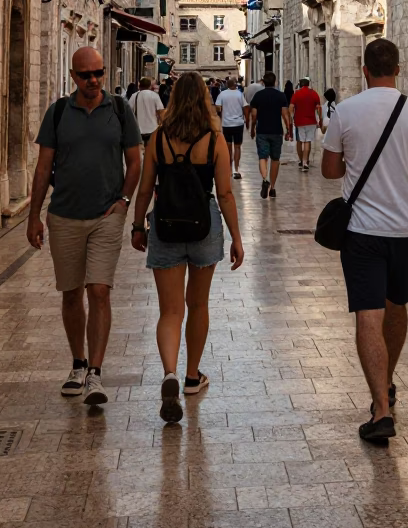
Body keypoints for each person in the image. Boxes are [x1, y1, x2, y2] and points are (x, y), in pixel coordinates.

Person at [322, 38, 408, 443]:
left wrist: (352, 159)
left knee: (367, 314)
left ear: (364, 70)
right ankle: (388, 382)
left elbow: (329, 170)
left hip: (362, 230)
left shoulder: (346, 111)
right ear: (399, 68)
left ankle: (380, 408)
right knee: (397, 305)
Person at [27, 46, 142, 406]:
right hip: (64, 216)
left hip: (106, 216)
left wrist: (124, 201)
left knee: (99, 291)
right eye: (85, 75)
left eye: (99, 73)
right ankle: (77, 364)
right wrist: (33, 216)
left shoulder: (120, 110)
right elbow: (44, 167)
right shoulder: (59, 112)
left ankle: (96, 372)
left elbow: (135, 162)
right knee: (72, 293)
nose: (93, 80)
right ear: (74, 77)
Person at [131, 73, 244, 422]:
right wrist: (236, 238)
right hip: (204, 224)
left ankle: (170, 373)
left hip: (165, 223)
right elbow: (224, 193)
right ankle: (192, 376)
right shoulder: (215, 139)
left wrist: (137, 226)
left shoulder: (159, 139)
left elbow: (146, 187)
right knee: (198, 304)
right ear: (205, 101)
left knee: (170, 311)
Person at [250, 71, 291, 200]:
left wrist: (252, 128)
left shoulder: (258, 96)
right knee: (275, 159)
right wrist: (289, 129)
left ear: (263, 81)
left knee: (262, 157)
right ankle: (272, 187)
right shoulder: (281, 96)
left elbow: (254, 115)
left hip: (262, 130)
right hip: (276, 131)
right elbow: (285, 114)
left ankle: (264, 179)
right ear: (275, 81)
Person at [215, 77, 248, 179]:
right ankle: (236, 169)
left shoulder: (222, 94)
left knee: (228, 147)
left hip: (226, 124)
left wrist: (221, 114)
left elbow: (217, 107)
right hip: (238, 123)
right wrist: (246, 120)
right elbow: (245, 107)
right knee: (237, 147)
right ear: (235, 85)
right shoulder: (239, 94)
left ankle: (229, 169)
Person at [290, 78, 322, 171]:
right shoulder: (314, 93)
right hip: (311, 121)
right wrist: (320, 118)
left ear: (300, 84)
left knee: (300, 141)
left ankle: (301, 160)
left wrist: (291, 118)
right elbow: (318, 107)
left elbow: (291, 107)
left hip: (299, 121)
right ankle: (305, 162)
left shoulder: (297, 94)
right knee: (308, 141)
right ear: (308, 84)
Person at [129, 76, 165, 145]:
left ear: (139, 86)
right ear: (149, 86)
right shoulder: (154, 95)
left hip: (138, 130)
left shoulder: (134, 96)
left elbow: (129, 112)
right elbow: (161, 111)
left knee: (140, 152)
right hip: (153, 129)